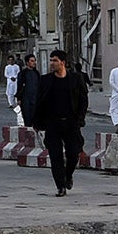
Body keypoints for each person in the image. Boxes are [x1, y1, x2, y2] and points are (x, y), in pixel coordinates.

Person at [37, 49, 88, 196]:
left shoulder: (76, 79)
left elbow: (83, 100)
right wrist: (36, 121)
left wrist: (80, 118)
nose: (52, 63)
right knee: (55, 155)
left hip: (71, 123)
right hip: (52, 123)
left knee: (73, 153)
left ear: (63, 62)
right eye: (51, 60)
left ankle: (68, 174)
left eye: (55, 60)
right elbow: (39, 102)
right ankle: (60, 186)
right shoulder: (46, 80)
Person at [17, 52, 42, 128]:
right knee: (27, 119)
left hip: (35, 99)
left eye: (34, 61)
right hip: (26, 99)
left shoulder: (36, 73)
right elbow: (19, 86)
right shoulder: (23, 73)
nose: (34, 63)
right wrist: (19, 98)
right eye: (32, 61)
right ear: (27, 62)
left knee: (36, 119)